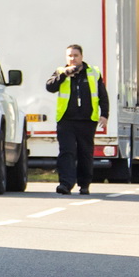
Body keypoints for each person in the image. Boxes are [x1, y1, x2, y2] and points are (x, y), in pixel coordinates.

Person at [45, 43, 109, 196]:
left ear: (81, 57)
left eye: (75, 55)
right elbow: (50, 87)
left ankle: (84, 184)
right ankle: (65, 184)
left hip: (87, 120)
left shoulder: (93, 72)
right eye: (69, 56)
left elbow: (102, 95)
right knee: (67, 152)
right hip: (66, 120)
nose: (72, 59)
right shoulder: (61, 72)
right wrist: (64, 75)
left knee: (85, 153)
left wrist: (105, 114)